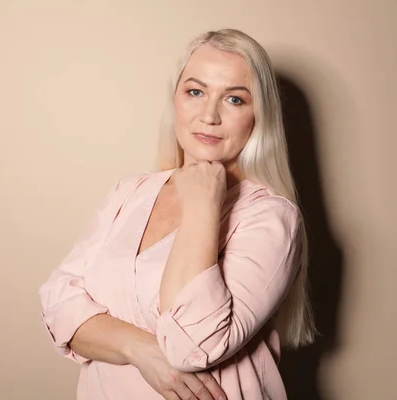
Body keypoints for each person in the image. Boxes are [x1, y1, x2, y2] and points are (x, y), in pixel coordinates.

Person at [38, 28, 316, 400]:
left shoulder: (271, 218)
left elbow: (192, 346)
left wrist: (204, 204)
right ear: (176, 99)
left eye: (234, 99)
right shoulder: (130, 192)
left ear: (258, 116)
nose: (209, 115)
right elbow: (58, 301)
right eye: (195, 92)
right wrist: (140, 350)